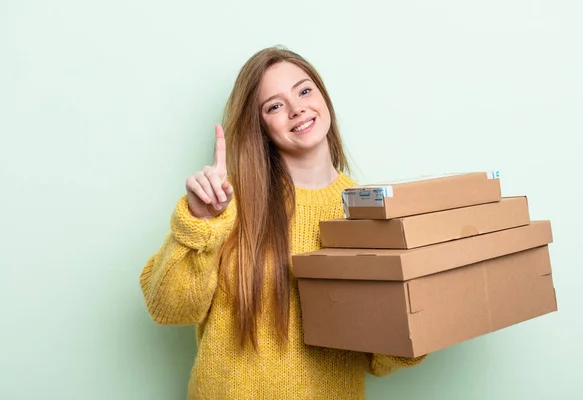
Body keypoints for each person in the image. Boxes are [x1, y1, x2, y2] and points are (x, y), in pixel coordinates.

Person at [139, 46, 427, 400]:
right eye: (274, 106)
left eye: (304, 90)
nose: (297, 109)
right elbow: (169, 308)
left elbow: (379, 359)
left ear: (323, 96)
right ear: (259, 126)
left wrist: (423, 315)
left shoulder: (367, 212)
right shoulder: (226, 204)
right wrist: (200, 220)